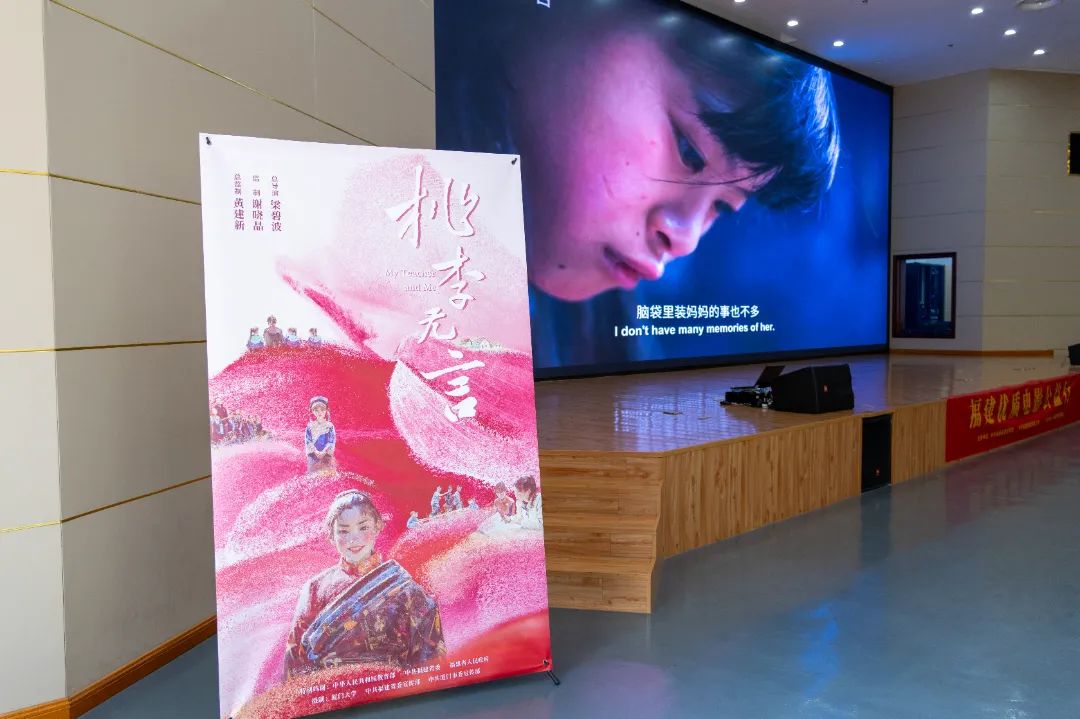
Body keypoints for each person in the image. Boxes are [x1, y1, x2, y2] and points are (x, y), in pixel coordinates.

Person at [437, 1, 841, 365]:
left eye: (722, 205)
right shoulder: (416, 191)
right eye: (690, 150)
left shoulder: (606, 343)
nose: (685, 239)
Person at [284, 490, 445, 678]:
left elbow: (432, 661)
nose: (354, 539)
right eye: (343, 531)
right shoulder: (315, 589)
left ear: (378, 526)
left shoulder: (406, 589)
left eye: (363, 527)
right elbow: (294, 661)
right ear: (331, 535)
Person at [304, 396, 337, 473]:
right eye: (316, 410)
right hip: (313, 454)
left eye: (322, 410)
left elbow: (331, 441)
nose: (319, 413)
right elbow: (308, 441)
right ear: (312, 411)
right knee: (312, 474)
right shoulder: (310, 426)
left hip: (326, 454)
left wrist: (324, 451)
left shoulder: (329, 426)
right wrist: (315, 451)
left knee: (329, 473)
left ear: (326, 411)